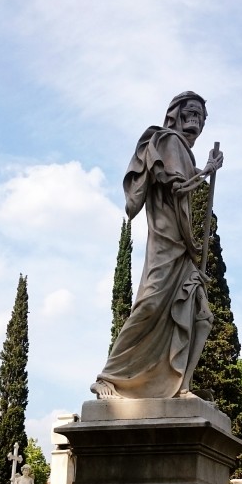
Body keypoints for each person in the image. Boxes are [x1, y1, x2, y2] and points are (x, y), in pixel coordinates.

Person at [91, 91, 223, 399]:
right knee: (150, 304)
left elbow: (185, 191)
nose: (197, 118)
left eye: (201, 116)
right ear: (175, 113)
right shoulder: (169, 142)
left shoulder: (183, 152)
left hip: (183, 248)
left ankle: (182, 386)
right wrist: (208, 170)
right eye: (191, 111)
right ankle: (108, 376)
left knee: (201, 316)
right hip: (166, 244)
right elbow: (176, 187)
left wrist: (204, 170)